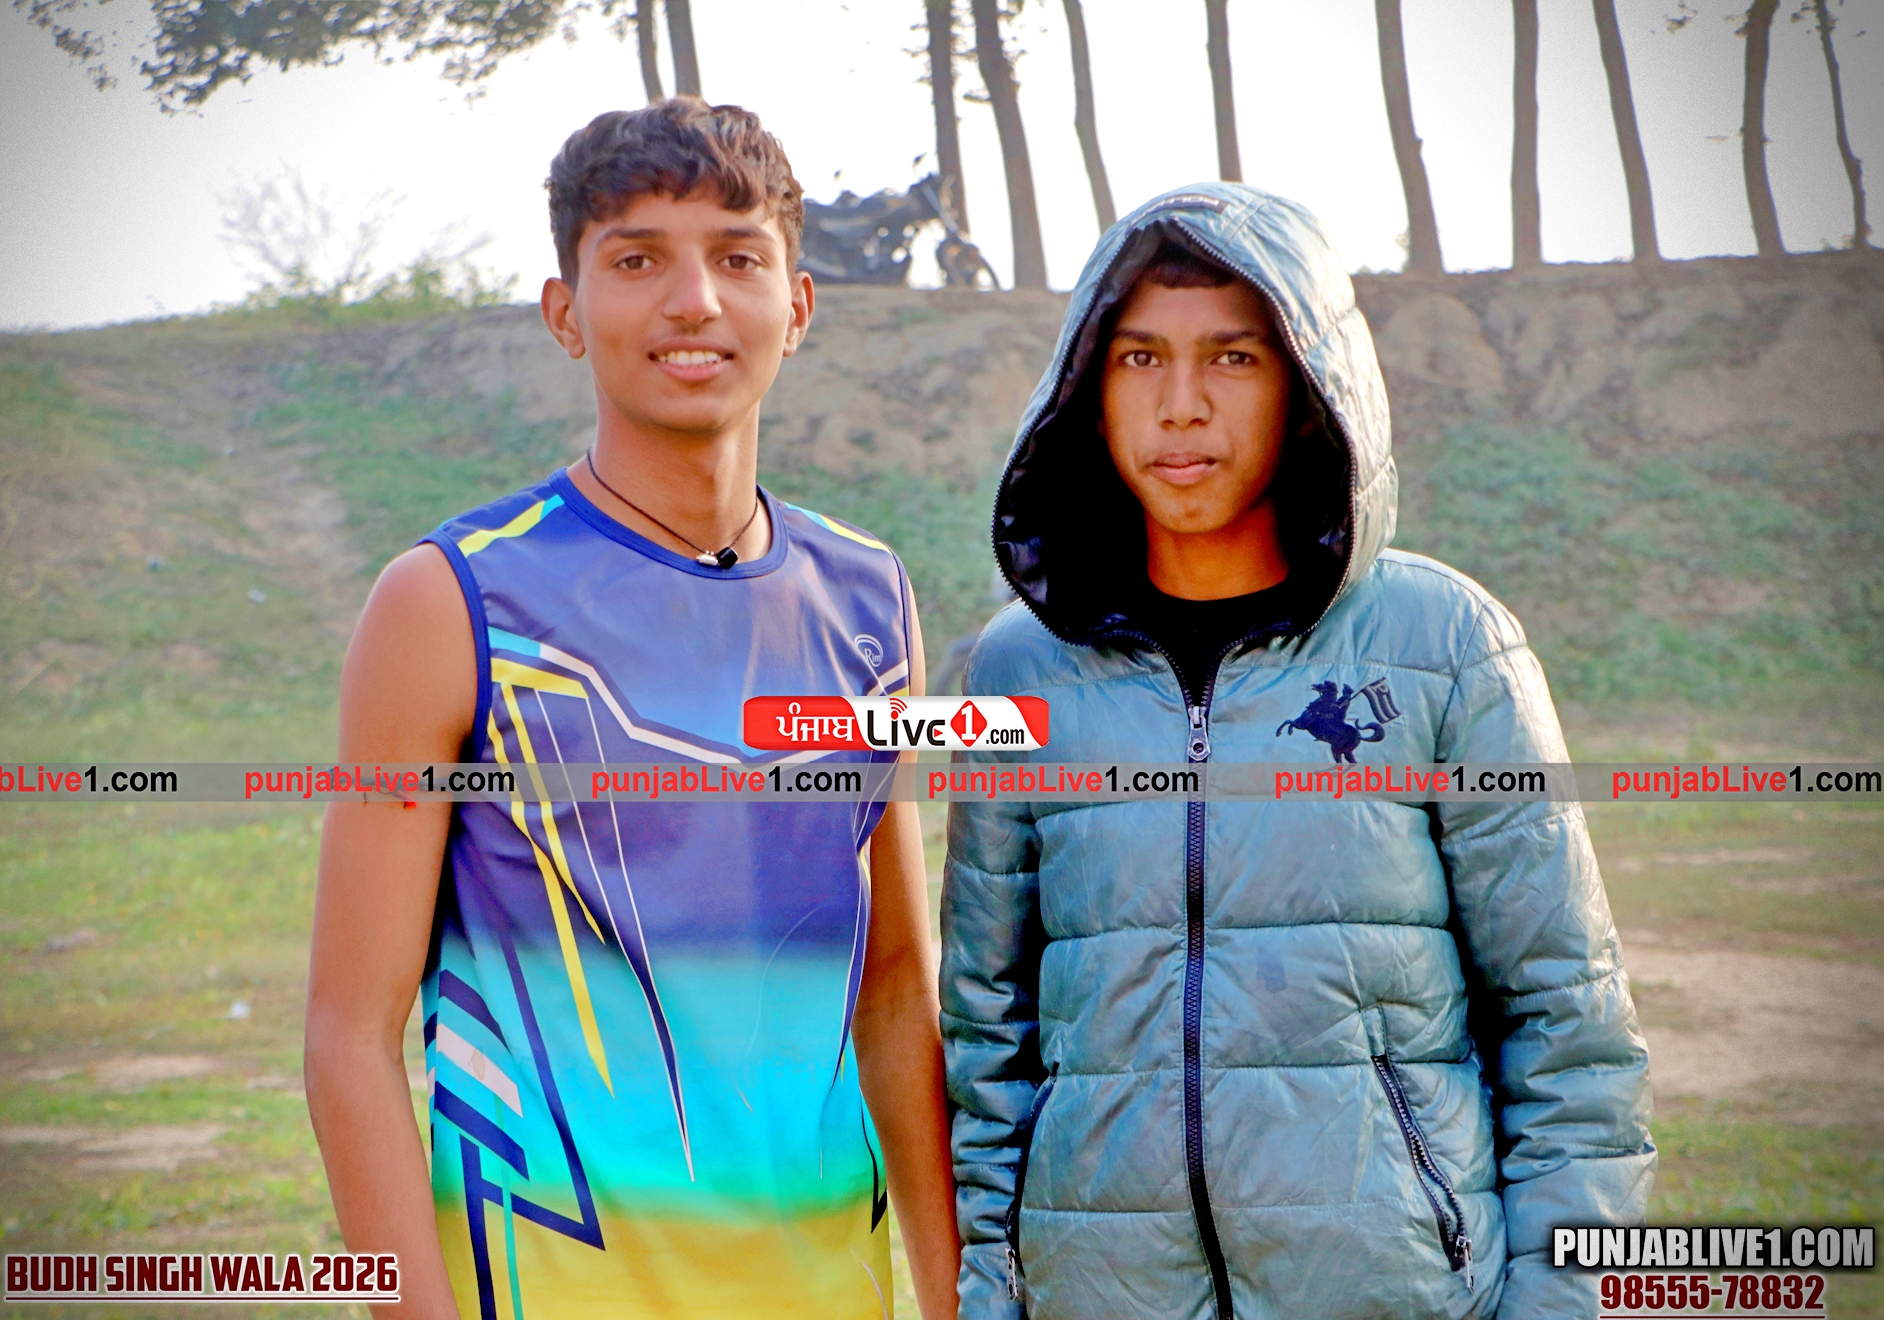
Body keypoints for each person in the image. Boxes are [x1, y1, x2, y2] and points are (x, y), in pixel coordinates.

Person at [942, 182, 1654, 1319]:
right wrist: (993, 1297)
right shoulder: (1020, 672)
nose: (1181, 406)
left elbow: (1567, 1027)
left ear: (1311, 386)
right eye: (1138, 358)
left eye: (1232, 358)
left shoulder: (1445, 645)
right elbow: (989, 1045)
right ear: (1086, 388)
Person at [305, 98, 960, 1320]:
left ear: (798, 306)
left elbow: (893, 995)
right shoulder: (450, 604)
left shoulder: (871, 599)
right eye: (639, 259)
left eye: (737, 258)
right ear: (565, 311)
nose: (694, 300)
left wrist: (955, 1294)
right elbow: (350, 1035)